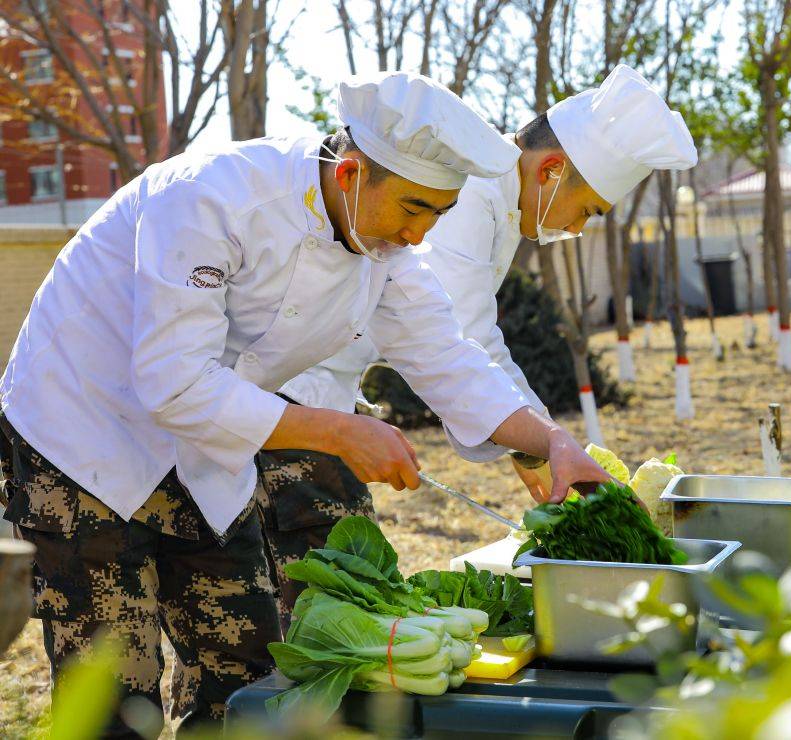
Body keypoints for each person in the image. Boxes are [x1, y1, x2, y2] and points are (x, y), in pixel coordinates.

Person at [0, 70, 608, 737]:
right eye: (412, 209)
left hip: (206, 445)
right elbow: (173, 380)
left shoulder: (387, 250)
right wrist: (341, 434)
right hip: (83, 433)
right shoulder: (212, 195)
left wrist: (550, 441)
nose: (417, 235)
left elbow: (449, 357)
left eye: (435, 214)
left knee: (250, 671)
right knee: (115, 697)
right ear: (350, 174)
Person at [259, 64, 698, 616]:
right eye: (587, 210)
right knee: (315, 602)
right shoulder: (466, 196)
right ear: (552, 170)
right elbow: (462, 343)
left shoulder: (499, 205)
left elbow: (461, 344)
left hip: (323, 394)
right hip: (294, 397)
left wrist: (543, 444)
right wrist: (543, 443)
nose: (580, 228)